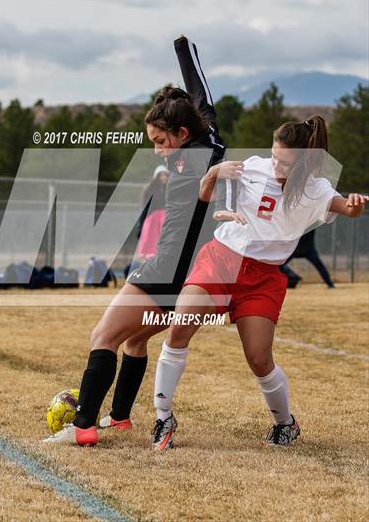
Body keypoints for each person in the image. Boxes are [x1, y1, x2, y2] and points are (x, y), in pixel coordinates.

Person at [43, 36, 233, 446]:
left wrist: (183, 50)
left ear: (182, 134)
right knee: (135, 338)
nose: (157, 151)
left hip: (165, 270)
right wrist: (185, 51)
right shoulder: (212, 142)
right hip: (189, 277)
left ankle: (83, 428)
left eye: (160, 142)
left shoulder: (186, 161)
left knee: (102, 337)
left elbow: (197, 98)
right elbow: (200, 95)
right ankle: (121, 417)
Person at [150, 115, 368, 450]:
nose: (276, 164)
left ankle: (286, 423)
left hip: (263, 277)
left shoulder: (315, 187)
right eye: (274, 155)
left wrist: (354, 206)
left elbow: (345, 208)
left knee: (259, 359)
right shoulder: (253, 167)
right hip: (222, 258)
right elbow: (205, 196)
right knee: (179, 328)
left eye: (285, 161)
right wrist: (211, 174)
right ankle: (163, 417)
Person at [136, 165, 169, 261]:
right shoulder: (149, 190)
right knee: (150, 244)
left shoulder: (170, 189)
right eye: (161, 175)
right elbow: (144, 208)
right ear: (156, 177)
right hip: (153, 219)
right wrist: (140, 226)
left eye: (165, 175)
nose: (163, 177)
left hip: (165, 218)